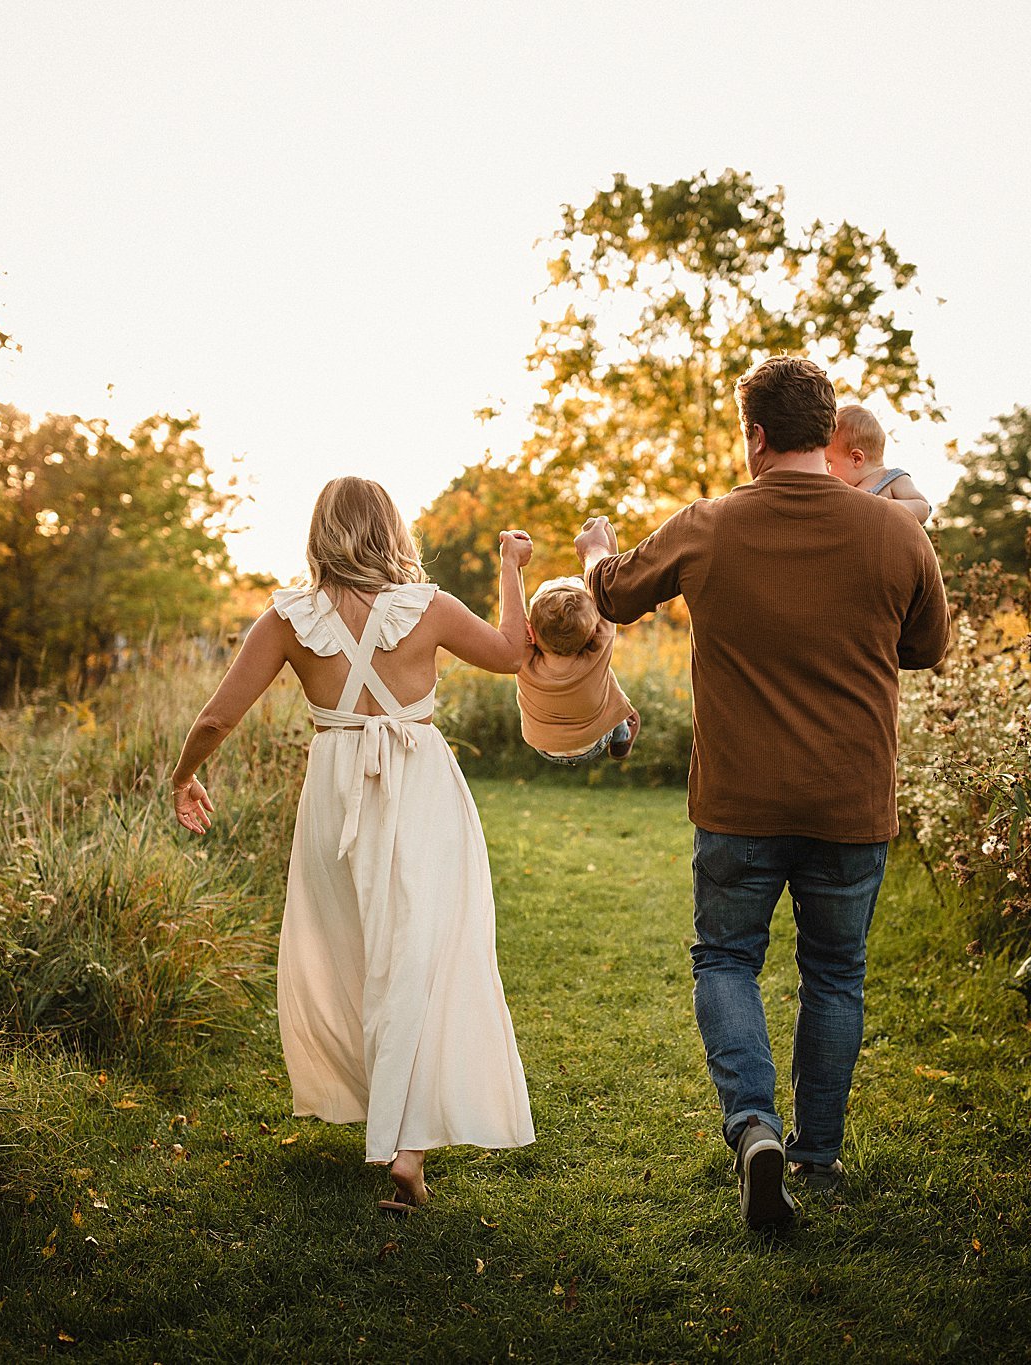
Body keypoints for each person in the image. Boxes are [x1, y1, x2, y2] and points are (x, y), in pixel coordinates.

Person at [576, 356, 950, 1233]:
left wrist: (597, 551)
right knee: (835, 974)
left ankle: (753, 1128)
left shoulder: (709, 525)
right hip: (851, 803)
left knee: (726, 960)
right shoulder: (899, 535)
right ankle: (817, 1152)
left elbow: (619, 594)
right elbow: (928, 647)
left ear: (754, 436)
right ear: (827, 436)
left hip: (739, 802)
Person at [168, 477, 537, 1211]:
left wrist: (185, 775)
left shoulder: (288, 617)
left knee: (357, 950)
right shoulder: (425, 608)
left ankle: (393, 1125)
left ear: (320, 534)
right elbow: (510, 652)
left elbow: (217, 716)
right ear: (389, 530)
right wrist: (511, 566)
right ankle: (407, 1149)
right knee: (422, 951)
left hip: (337, 787)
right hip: (420, 782)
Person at [516, 575, 640, 766]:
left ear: (530, 632)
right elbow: (608, 596)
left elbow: (513, 612)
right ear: (592, 633)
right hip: (593, 742)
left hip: (544, 746)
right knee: (603, 678)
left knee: (600, 678)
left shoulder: (521, 656)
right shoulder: (598, 649)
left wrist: (510, 562)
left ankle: (620, 725)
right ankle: (621, 734)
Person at [826, 403, 933, 522]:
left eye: (829, 463)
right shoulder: (846, 492)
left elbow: (923, 508)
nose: (826, 471)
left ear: (856, 459)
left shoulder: (892, 480)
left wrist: (879, 507)